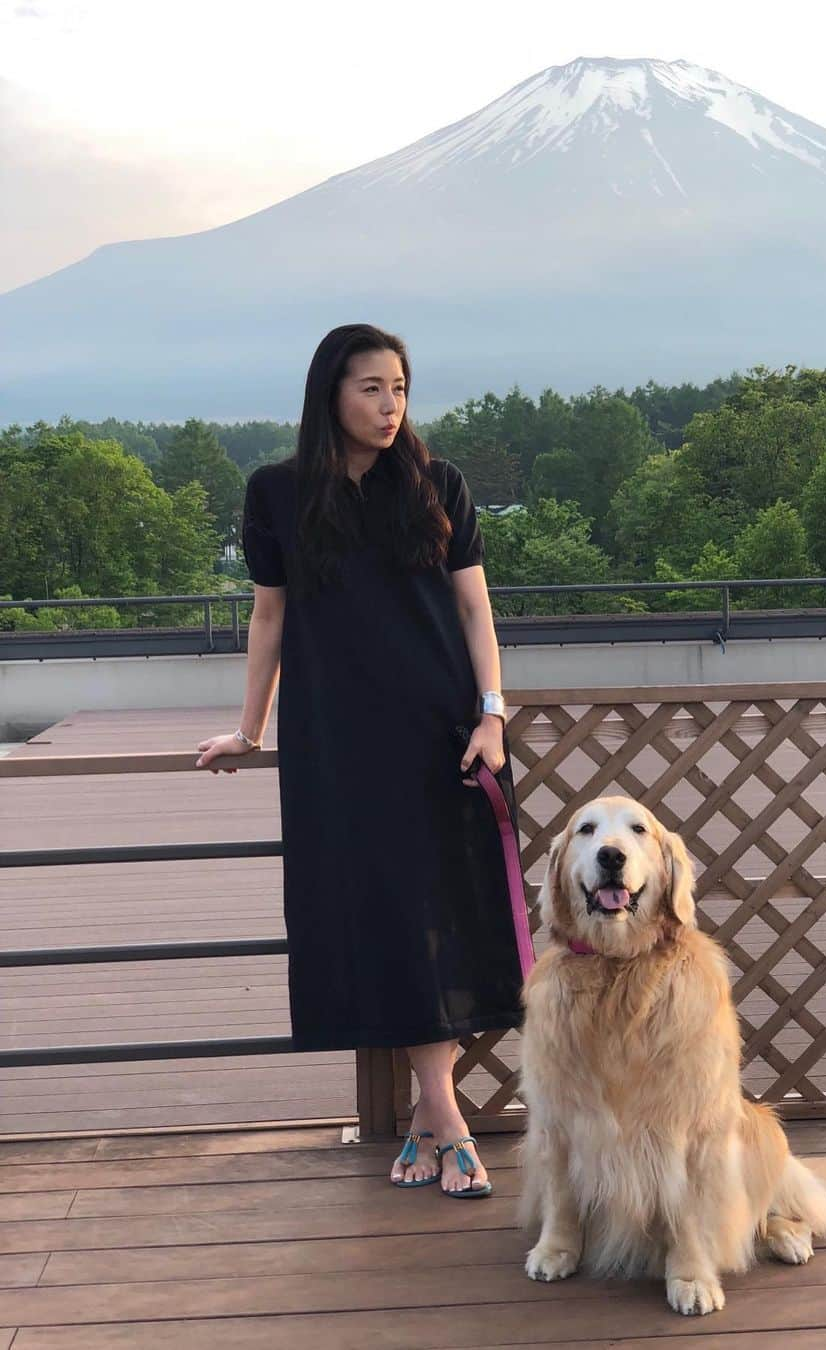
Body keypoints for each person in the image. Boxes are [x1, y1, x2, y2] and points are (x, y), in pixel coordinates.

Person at [195, 323, 524, 1197]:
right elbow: (269, 618)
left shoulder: (438, 484)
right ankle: (436, 1117)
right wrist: (249, 729)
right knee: (376, 912)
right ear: (330, 395)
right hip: (336, 741)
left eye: (402, 389)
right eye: (371, 388)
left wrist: (492, 716)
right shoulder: (277, 493)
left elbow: (475, 612)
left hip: (442, 734)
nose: (390, 407)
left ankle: (437, 1121)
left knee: (446, 911)